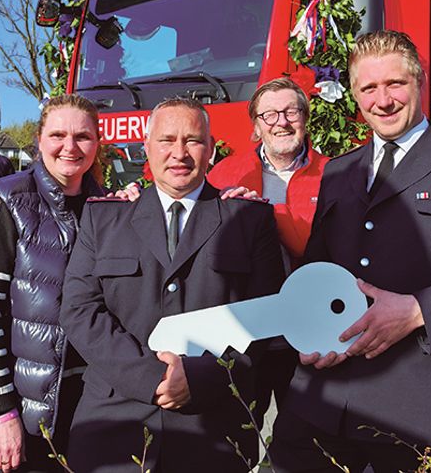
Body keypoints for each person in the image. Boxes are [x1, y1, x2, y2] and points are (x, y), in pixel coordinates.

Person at [270, 30, 431, 472]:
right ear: (354, 95)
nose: (384, 100)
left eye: (396, 84)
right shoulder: (339, 171)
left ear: (419, 82)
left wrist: (416, 310)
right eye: (369, 88)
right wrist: (309, 335)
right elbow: (318, 272)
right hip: (325, 401)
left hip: (425, 406)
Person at [60, 97, 285, 473]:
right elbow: (80, 310)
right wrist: (151, 379)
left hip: (213, 425)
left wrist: (199, 378)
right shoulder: (104, 218)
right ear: (147, 147)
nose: (179, 153)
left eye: (193, 140)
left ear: (211, 149)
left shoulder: (249, 220)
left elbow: (263, 320)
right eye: (166, 140)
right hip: (115, 422)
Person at [0, 94, 108, 473]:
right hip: (22, 404)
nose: (70, 147)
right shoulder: (6, 203)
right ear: (39, 141)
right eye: (58, 135)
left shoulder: (106, 205)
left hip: (86, 400)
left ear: (97, 143)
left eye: (83, 137)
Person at [207, 77, 329, 410]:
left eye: (291, 112)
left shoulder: (335, 174)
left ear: (304, 119)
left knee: (309, 444)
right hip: (247, 334)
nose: (282, 123)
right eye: (270, 115)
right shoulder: (223, 175)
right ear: (257, 126)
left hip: (310, 334)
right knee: (238, 437)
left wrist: (265, 210)